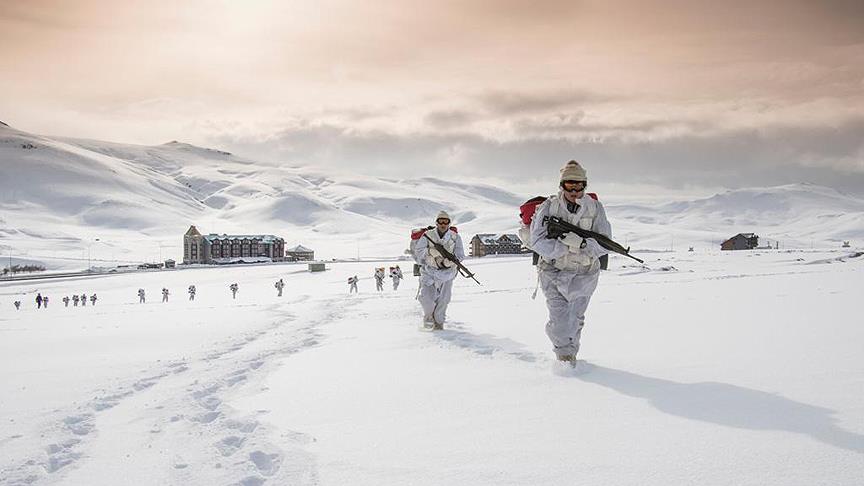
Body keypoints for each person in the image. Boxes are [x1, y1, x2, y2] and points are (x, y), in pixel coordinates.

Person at [528, 160, 611, 366]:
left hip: (585, 273)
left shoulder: (595, 208)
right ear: (562, 185)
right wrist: (565, 247)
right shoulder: (549, 207)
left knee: (576, 319)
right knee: (561, 323)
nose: (574, 190)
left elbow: (605, 243)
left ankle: (570, 355)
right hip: (553, 272)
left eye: (579, 185)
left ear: (585, 185)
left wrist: (582, 244)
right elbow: (536, 240)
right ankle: (564, 358)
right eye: (569, 185)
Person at [414, 210, 465, 330]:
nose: (443, 224)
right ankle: (428, 318)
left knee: (444, 299)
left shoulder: (455, 237)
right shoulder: (428, 235)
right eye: (440, 221)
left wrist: (451, 262)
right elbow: (419, 251)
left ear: (449, 223)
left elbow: (460, 255)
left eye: (445, 221)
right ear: (436, 222)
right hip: (429, 271)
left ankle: (439, 324)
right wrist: (431, 253)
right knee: (425, 297)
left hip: (448, 273)